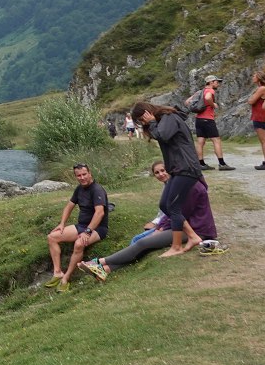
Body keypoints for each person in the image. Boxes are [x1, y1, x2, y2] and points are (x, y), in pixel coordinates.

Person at [83, 162, 217, 280]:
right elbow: (173, 213)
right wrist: (161, 226)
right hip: (186, 227)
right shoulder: (185, 184)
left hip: (196, 230)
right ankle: (106, 269)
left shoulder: (191, 187)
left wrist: (161, 228)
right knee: (146, 245)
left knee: (143, 242)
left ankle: (98, 262)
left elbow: (179, 215)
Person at [130, 101, 209, 256]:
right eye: (139, 121)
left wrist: (152, 122)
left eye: (141, 118)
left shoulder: (169, 116)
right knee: (165, 205)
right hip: (177, 169)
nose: (142, 122)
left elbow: (163, 136)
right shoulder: (163, 120)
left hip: (186, 167)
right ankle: (192, 236)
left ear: (148, 112)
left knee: (173, 206)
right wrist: (152, 124)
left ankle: (177, 246)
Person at [45, 163, 108, 292]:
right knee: (52, 237)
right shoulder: (79, 189)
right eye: (78, 175)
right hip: (81, 226)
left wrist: (87, 232)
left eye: (84, 174)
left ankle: (66, 278)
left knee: (79, 244)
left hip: (97, 229)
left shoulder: (97, 190)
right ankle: (57, 273)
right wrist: (62, 223)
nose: (82, 177)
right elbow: (69, 206)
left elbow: (99, 213)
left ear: (90, 173)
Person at [192, 75, 233, 170]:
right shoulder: (210, 90)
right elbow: (207, 98)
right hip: (208, 119)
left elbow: (187, 102)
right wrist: (212, 104)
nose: (218, 84)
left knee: (200, 142)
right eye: (216, 82)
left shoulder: (199, 92)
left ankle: (201, 164)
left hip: (199, 119)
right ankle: (222, 164)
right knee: (216, 140)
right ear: (211, 82)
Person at [249, 72, 265, 170]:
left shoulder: (262, 89)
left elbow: (251, 101)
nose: (252, 77)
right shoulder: (263, 88)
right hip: (260, 115)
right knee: (263, 140)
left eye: (254, 76)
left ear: (259, 78)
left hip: (260, 116)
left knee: (263, 140)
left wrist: (251, 98)